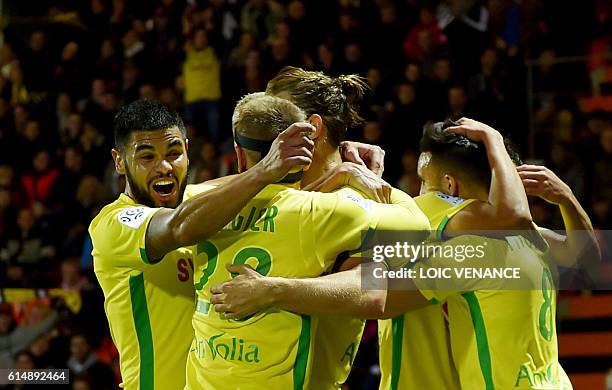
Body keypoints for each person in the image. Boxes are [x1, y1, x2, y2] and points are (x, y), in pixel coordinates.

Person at [212, 118, 597, 389]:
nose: (417, 194)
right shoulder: (529, 240)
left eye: (423, 182)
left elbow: (374, 294)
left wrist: (274, 289)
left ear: (448, 186)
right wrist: (565, 197)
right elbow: (590, 262)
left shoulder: (460, 235)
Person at [184, 93, 429, 389]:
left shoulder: (195, 202)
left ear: (237, 154)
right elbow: (417, 229)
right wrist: (365, 178)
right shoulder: (321, 213)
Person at [89, 98, 315, 389]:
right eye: (146, 157)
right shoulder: (114, 224)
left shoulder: (205, 204)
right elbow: (180, 226)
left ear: (187, 149)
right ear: (119, 161)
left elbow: (279, 188)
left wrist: (343, 170)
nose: (164, 167)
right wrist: (262, 171)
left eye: (174, 153)